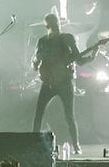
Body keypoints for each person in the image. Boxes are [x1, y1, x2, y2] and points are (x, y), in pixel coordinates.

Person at [32, 12, 103, 156]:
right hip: (50, 82)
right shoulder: (43, 41)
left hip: (63, 82)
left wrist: (93, 55)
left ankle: (76, 146)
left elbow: (78, 60)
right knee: (47, 114)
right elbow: (36, 63)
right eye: (53, 24)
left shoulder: (66, 38)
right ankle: (34, 144)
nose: (55, 26)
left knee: (66, 115)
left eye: (56, 24)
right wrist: (36, 62)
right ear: (48, 26)